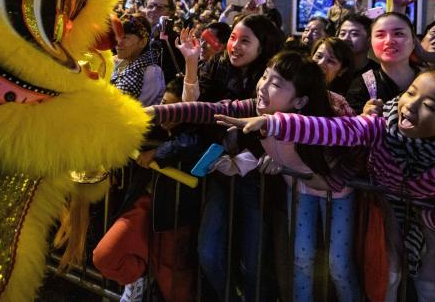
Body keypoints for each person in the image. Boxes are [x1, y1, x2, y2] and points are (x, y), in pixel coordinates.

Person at [217, 65, 435, 301]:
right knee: (386, 276)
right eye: (411, 92)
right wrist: (275, 123)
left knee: (431, 285)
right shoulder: (381, 126)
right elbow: (339, 129)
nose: (410, 106)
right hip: (386, 208)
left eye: (429, 106)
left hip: (431, 218)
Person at [147, 51, 362, 302]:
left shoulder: (328, 116)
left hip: (337, 194)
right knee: (301, 258)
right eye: (264, 76)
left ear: (300, 101)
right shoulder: (255, 109)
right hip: (301, 190)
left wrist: (331, 181)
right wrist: (157, 112)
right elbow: (210, 110)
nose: (262, 86)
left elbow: (359, 152)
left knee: (338, 264)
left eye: (275, 84)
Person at [169, 13, 284, 301]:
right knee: (208, 252)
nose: (235, 46)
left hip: (258, 180)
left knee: (255, 261)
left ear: (263, 45)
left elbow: (277, 123)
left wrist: (244, 161)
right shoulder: (218, 66)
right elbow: (193, 109)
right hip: (220, 172)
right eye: (233, 38)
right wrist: (191, 63)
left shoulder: (274, 77)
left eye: (245, 41)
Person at [94, 79, 203, 302]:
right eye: (163, 105)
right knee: (105, 255)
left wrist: (157, 153)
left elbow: (192, 143)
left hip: (173, 218)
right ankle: (139, 279)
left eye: (174, 111)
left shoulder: (194, 135)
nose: (165, 115)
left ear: (188, 112)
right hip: (142, 206)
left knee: (174, 286)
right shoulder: (152, 124)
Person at [345, 12, 418, 115]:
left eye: (398, 34)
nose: (389, 41)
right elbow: (349, 122)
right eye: (380, 35)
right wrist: (363, 118)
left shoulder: (431, 81)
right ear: (370, 43)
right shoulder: (361, 86)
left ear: (414, 42)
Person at [111, 14, 165, 106]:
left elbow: (138, 108)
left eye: (125, 38)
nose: (118, 43)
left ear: (142, 42)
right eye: (117, 36)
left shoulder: (151, 72)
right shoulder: (118, 61)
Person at [143, 0, 185, 83]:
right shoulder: (138, 35)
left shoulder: (177, 42)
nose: (154, 10)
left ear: (170, 12)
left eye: (160, 7)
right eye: (150, 6)